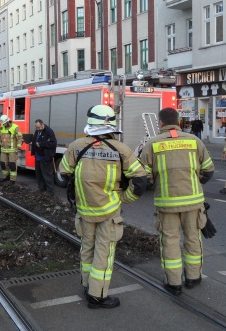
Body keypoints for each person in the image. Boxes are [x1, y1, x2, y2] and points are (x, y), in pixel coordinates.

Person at [59, 105, 147, 309]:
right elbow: (140, 180)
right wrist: (125, 198)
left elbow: (62, 176)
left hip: (84, 210)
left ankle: (87, 285)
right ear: (111, 124)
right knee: (104, 254)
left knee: (86, 249)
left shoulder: (77, 146)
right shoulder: (121, 149)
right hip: (109, 212)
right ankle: (97, 296)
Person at [140, 107, 215, 296]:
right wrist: (196, 183)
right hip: (193, 203)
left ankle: (173, 283)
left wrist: (153, 184)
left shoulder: (152, 143)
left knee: (170, 241)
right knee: (193, 239)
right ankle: (193, 277)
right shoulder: (194, 141)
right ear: (178, 121)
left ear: (161, 123)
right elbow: (209, 170)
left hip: (167, 204)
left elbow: (142, 176)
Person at [30, 119, 57, 196]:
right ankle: (41, 189)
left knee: (47, 175)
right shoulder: (37, 131)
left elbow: (53, 143)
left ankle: (50, 192)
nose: (38, 129)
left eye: (39, 127)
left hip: (45, 157)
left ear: (42, 124)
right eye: (36, 127)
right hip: (38, 156)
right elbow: (35, 140)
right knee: (39, 175)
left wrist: (41, 144)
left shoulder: (49, 131)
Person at [0, 115, 23, 185]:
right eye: (3, 123)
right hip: (3, 150)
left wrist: (19, 146)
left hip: (12, 150)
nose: (4, 124)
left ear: (8, 121)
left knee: (12, 165)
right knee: (3, 164)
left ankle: (12, 180)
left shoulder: (15, 127)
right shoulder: (2, 127)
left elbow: (20, 137)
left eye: (5, 123)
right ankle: (6, 177)